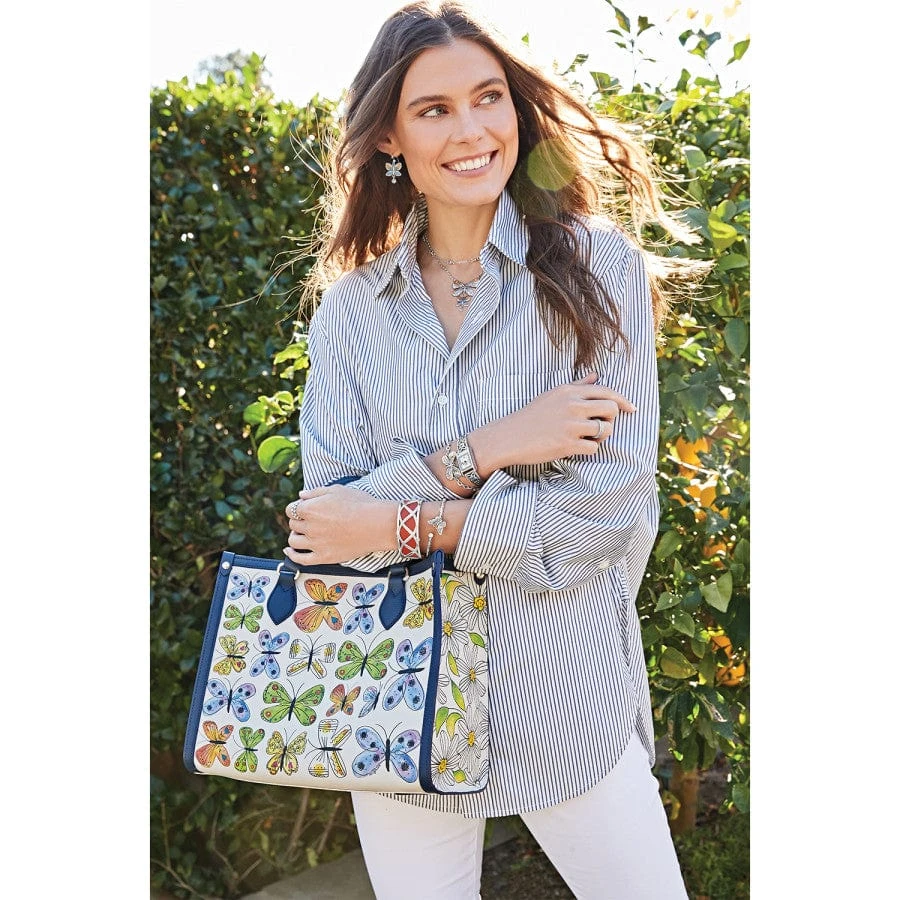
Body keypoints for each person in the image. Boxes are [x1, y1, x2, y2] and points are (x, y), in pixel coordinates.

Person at [281, 2, 706, 897]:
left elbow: (600, 514)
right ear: (390, 136)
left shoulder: (599, 270)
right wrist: (491, 448)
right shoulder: (351, 314)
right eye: (433, 110)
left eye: (488, 98)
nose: (471, 130)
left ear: (516, 108)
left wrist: (406, 522)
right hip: (396, 702)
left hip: (566, 695)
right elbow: (329, 531)